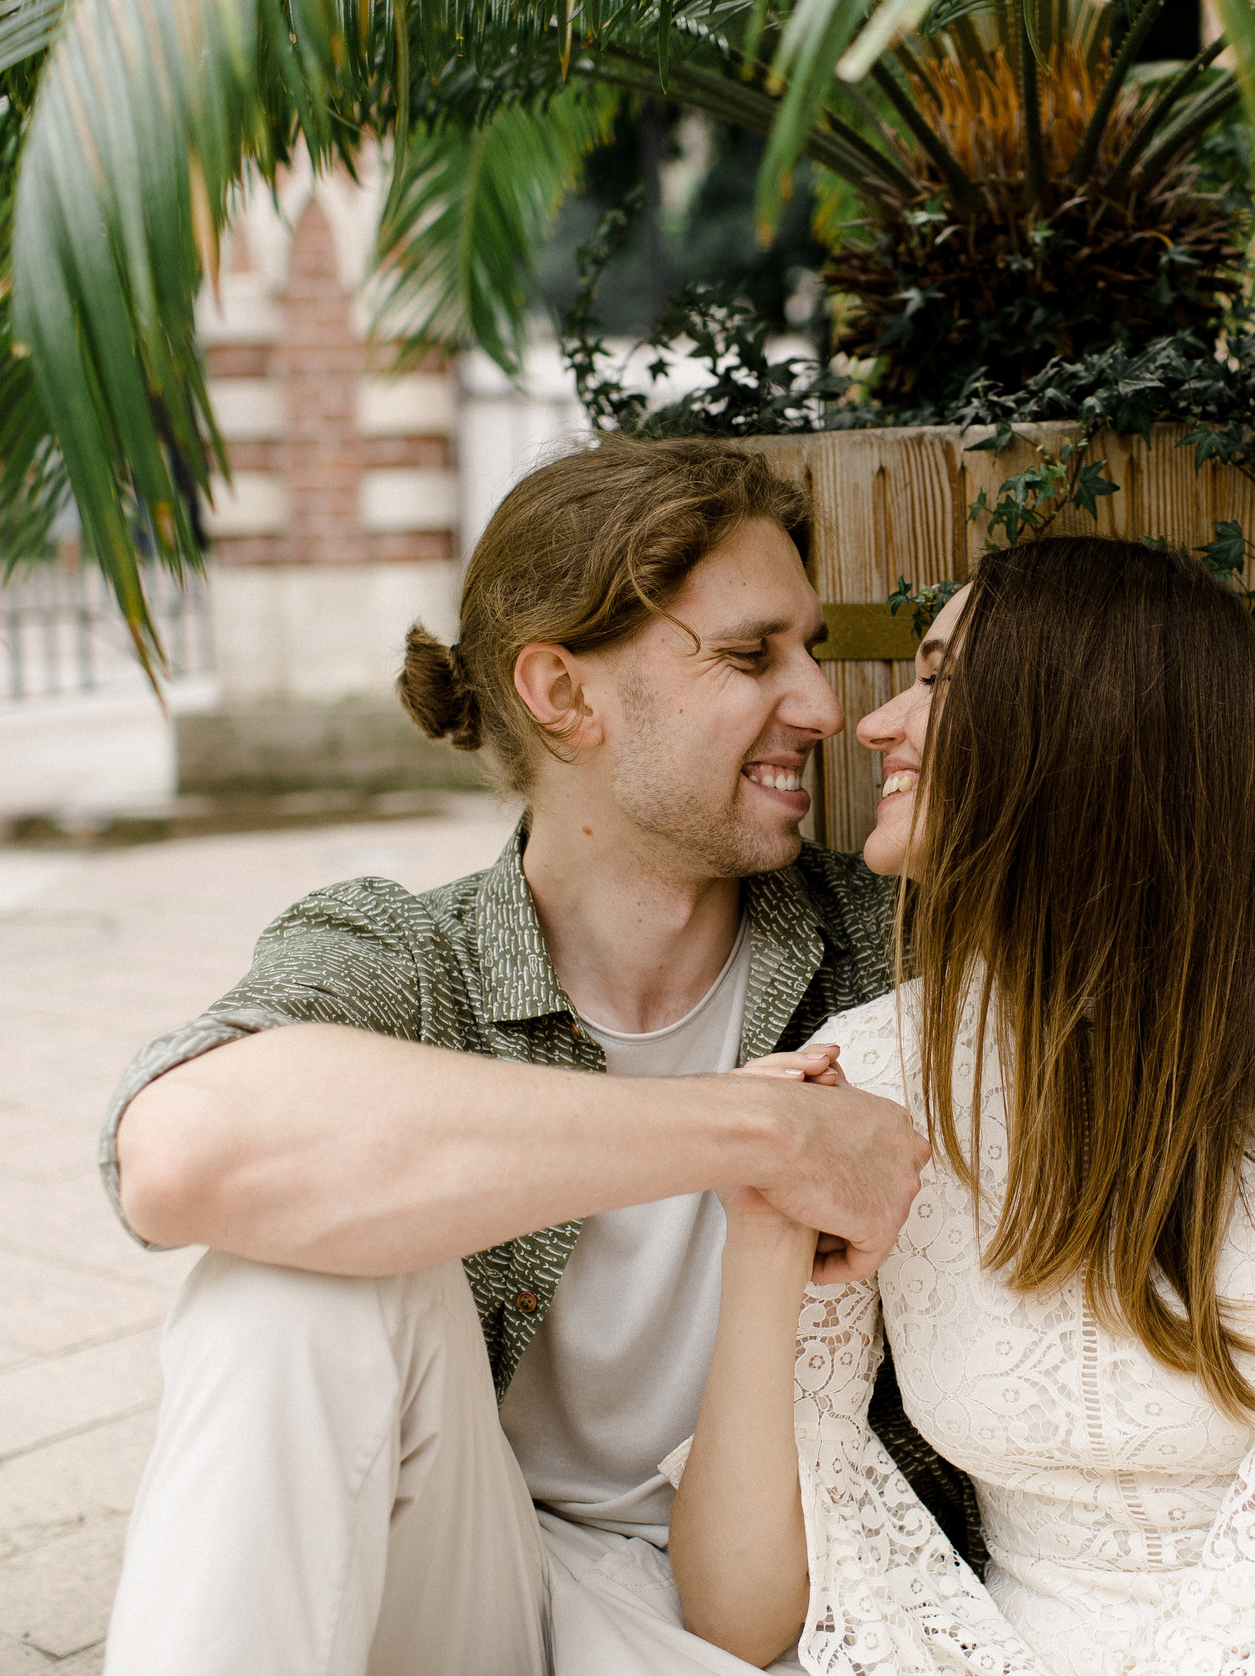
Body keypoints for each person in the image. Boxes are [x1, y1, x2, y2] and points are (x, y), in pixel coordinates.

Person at [96, 435, 947, 1676]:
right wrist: (758, 1130)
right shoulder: (409, 954)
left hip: (794, 1611)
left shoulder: (887, 951)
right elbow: (176, 1152)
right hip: (469, 1584)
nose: (822, 705)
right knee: (285, 1281)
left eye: (807, 651)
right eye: (751, 655)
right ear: (561, 693)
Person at [668, 536, 1255, 1675]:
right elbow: (742, 1616)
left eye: (940, 679)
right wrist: (764, 1231)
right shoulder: (865, 1074)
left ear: (1083, 732)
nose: (877, 724)